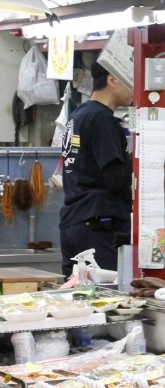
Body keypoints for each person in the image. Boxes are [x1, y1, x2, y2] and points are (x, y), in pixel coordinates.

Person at [59, 62, 133, 276]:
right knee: (108, 293)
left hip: (74, 223)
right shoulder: (102, 118)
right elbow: (116, 179)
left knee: (79, 293)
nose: (134, 89)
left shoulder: (78, 115)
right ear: (112, 80)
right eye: (130, 82)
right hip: (98, 225)